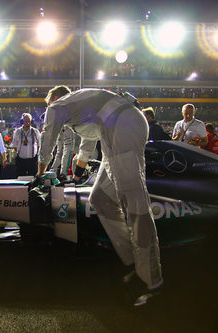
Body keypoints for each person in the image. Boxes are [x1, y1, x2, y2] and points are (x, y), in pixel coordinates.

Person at [37, 86, 163, 306]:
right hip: (116, 129)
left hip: (123, 126)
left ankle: (152, 282)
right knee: (101, 199)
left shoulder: (58, 106)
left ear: (55, 98)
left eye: (49, 105)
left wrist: (39, 173)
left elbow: (48, 138)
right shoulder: (85, 108)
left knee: (135, 206)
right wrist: (77, 176)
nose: (49, 111)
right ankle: (135, 262)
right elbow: (88, 145)